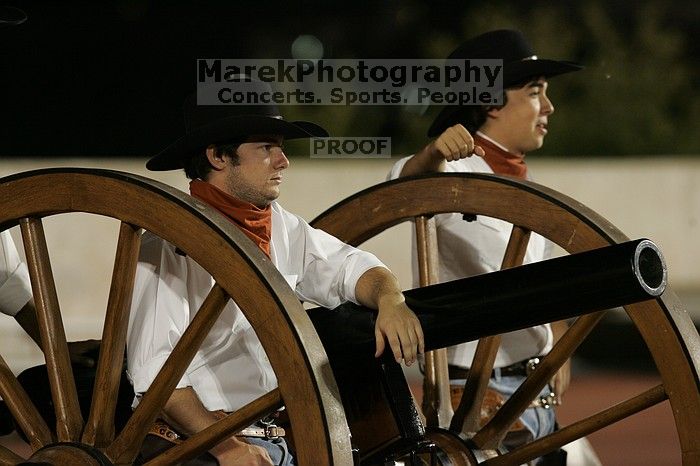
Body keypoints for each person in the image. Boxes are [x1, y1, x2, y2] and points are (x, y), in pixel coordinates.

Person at [126, 81, 425, 465]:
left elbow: (352, 267)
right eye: (267, 147)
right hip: (192, 448)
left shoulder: (282, 227)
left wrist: (390, 298)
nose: (284, 161)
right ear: (218, 156)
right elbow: (156, 381)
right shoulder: (165, 246)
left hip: (269, 442)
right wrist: (226, 449)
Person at [388, 29, 594, 463]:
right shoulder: (448, 172)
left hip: (536, 402)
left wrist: (554, 338)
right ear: (490, 102)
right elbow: (391, 196)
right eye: (535, 92)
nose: (549, 107)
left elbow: (543, 274)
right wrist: (431, 156)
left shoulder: (529, 185)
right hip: (474, 410)